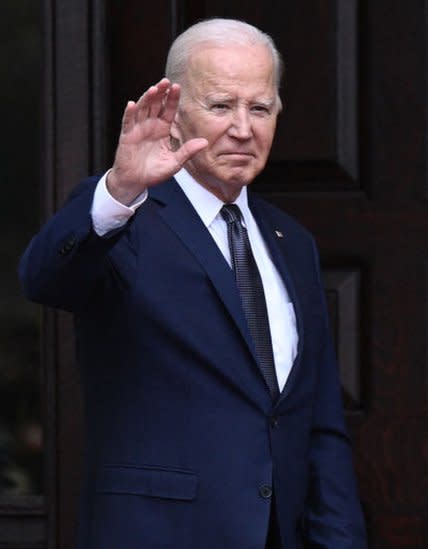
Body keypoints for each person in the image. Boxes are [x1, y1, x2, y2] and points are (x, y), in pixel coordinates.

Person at [19, 18, 366, 549]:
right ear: (174, 116)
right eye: (222, 106)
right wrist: (119, 190)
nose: (243, 128)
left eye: (260, 108)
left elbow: (318, 424)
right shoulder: (125, 217)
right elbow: (44, 279)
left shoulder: (292, 242)